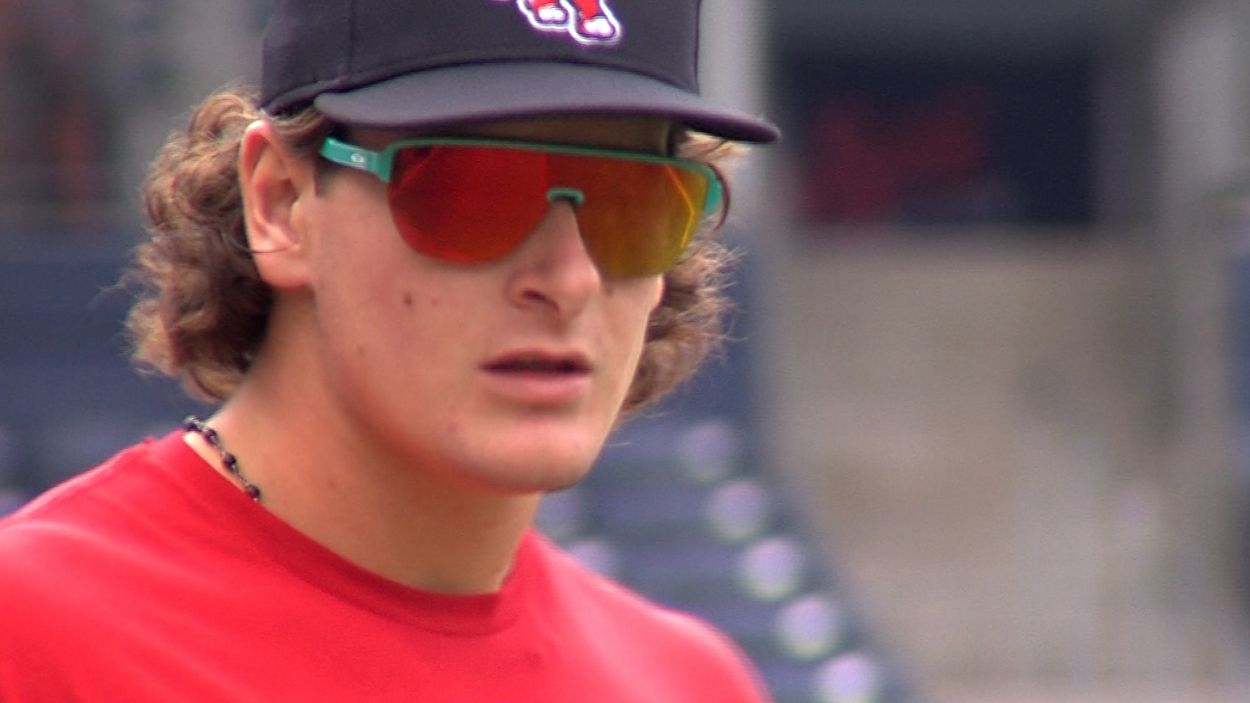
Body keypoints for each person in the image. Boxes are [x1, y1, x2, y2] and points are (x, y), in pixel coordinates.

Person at [0, 1, 778, 700]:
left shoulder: (690, 683)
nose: (569, 279)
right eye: (474, 190)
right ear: (281, 203)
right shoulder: (31, 634)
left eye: (634, 204)